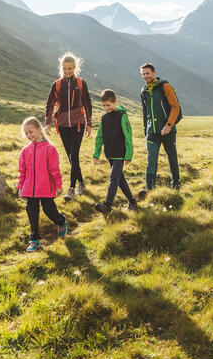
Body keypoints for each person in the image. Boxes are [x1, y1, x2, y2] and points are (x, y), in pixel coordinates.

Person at [45, 52, 92, 201]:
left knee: (74, 154)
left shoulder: (80, 83)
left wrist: (89, 123)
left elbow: (87, 103)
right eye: (65, 69)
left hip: (78, 123)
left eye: (70, 69)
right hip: (63, 124)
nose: (67, 71)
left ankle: (71, 189)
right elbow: (50, 104)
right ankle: (82, 183)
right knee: (71, 158)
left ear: (75, 68)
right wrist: (47, 123)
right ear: (61, 68)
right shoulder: (57, 85)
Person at [17, 117, 68, 252]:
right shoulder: (25, 151)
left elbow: (54, 170)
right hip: (30, 190)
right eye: (26, 133)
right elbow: (22, 171)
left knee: (49, 210)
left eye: (31, 132)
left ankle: (61, 221)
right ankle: (34, 239)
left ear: (39, 129)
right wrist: (20, 187)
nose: (28, 135)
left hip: (45, 188)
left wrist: (58, 185)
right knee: (32, 212)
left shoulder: (49, 149)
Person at [92, 89, 139, 214]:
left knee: (113, 177)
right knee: (120, 179)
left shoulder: (122, 116)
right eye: (104, 106)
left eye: (109, 105)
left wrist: (129, 155)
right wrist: (96, 154)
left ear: (115, 102)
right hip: (110, 153)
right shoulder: (104, 118)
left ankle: (107, 205)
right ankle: (133, 202)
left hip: (120, 153)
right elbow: (99, 137)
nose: (107, 108)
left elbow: (128, 136)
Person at [139, 63, 181, 199]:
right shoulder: (144, 91)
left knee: (172, 158)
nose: (146, 76)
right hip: (152, 132)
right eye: (143, 74)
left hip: (168, 130)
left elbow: (175, 107)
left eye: (148, 73)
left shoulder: (165, 87)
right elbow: (145, 113)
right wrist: (146, 130)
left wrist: (168, 125)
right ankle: (150, 189)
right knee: (151, 160)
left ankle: (176, 185)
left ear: (154, 73)